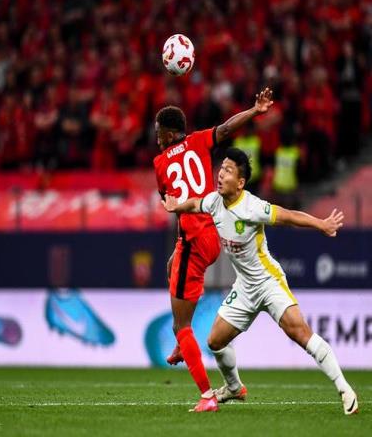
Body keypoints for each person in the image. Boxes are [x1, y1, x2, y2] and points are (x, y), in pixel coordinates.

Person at [161, 147, 359, 415]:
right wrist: (176, 206)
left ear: (240, 182)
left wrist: (321, 224)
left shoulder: (252, 207)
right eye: (221, 169)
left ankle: (345, 390)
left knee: (300, 333)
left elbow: (288, 215)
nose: (221, 174)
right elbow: (195, 204)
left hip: (268, 282)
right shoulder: (214, 201)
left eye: (228, 171)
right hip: (244, 287)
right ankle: (234, 387)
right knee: (215, 341)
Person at [153, 88, 274, 413]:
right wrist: (255, 110)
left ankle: (207, 395)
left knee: (182, 325)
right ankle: (183, 344)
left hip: (193, 240)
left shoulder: (160, 163)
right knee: (171, 267)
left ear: (168, 134)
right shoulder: (198, 141)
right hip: (211, 236)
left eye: (159, 132)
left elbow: (172, 201)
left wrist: (178, 227)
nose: (156, 138)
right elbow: (227, 128)